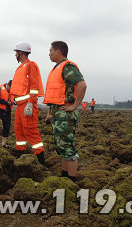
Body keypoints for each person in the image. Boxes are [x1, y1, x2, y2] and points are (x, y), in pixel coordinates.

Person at [43, 41, 87, 183]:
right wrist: (50, 113)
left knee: (67, 146)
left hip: (65, 113)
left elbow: (82, 85)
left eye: (50, 51)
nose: (49, 53)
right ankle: (64, 175)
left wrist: (74, 106)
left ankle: (71, 180)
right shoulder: (56, 68)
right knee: (60, 145)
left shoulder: (67, 67)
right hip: (57, 112)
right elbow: (55, 95)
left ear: (58, 52)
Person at [9, 42, 45, 166]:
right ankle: (21, 155)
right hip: (19, 105)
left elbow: (34, 87)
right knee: (18, 131)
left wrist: (30, 103)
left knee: (30, 131)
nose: (15, 55)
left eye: (16, 52)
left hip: (27, 104)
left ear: (22, 53)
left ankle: (40, 159)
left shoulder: (31, 65)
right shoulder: (20, 68)